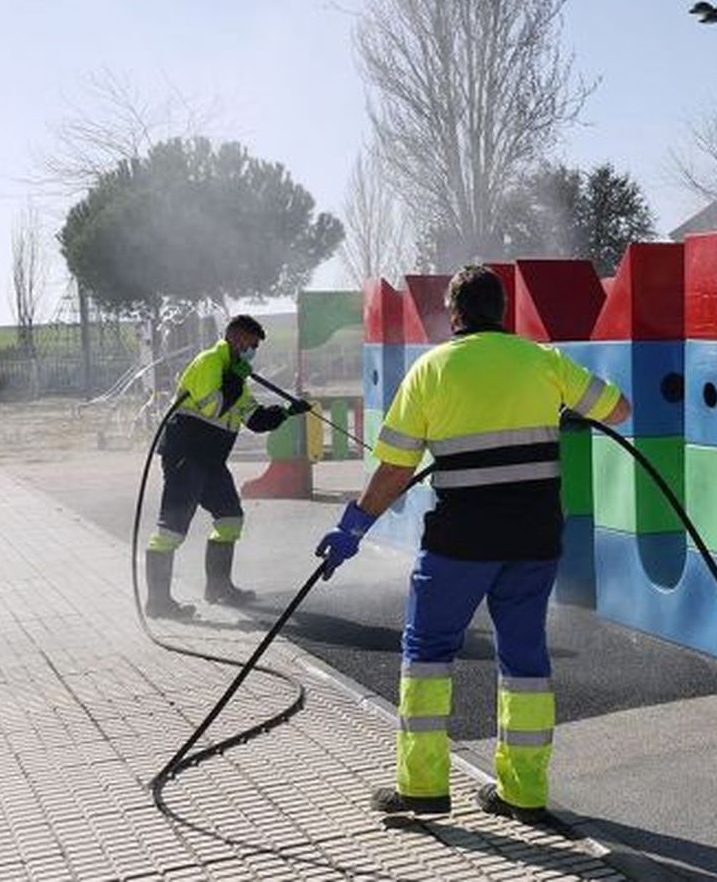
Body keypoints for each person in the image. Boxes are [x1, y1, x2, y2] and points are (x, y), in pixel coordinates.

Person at [315, 266, 631, 824]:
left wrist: (354, 527)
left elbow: (394, 467)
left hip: (460, 544)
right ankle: (523, 794)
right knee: (525, 658)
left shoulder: (431, 369)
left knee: (428, 653)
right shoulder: (542, 360)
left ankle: (423, 788)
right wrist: (564, 414)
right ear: (502, 311)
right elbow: (619, 410)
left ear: (455, 314)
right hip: (534, 540)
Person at [145, 314, 310, 620]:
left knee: (230, 520)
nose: (253, 351)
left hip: (211, 462)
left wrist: (287, 411)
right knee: (170, 532)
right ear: (235, 339)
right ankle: (158, 603)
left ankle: (219, 587)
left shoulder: (236, 377)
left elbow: (255, 420)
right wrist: (235, 377)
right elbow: (214, 405)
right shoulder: (209, 363)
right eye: (251, 345)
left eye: (256, 347)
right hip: (186, 458)